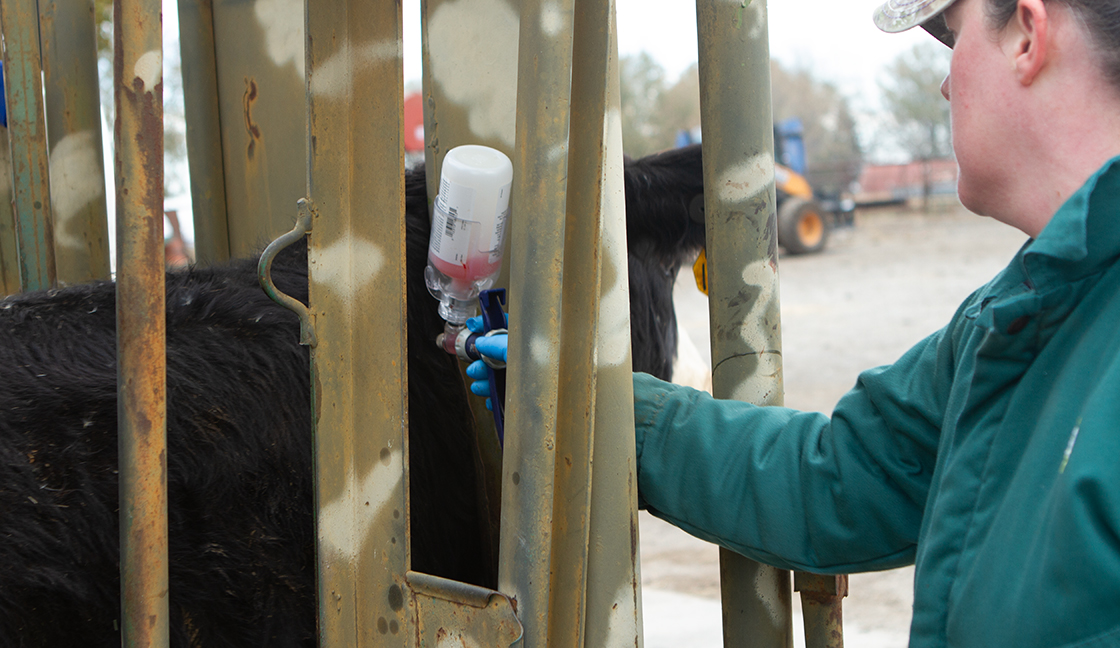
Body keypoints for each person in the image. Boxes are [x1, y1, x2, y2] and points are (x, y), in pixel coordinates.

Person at [471, 0, 1120, 645]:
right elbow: (838, 479)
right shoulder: (1017, 317)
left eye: (952, 37)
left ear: (1027, 35)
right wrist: (594, 405)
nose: (946, 83)